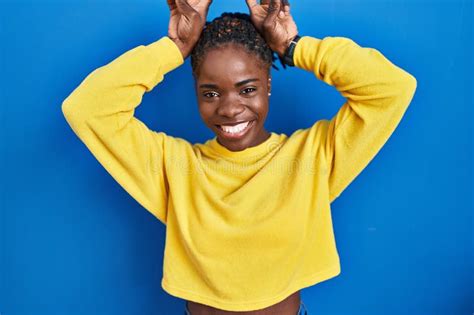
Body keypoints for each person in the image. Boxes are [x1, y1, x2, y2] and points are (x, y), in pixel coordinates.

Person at [61, 0, 417, 314]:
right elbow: (88, 108)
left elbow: (391, 88)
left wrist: (292, 46)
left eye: (247, 89)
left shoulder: (313, 159)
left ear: (268, 85)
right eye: (211, 93)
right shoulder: (175, 167)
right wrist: (174, 49)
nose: (230, 109)